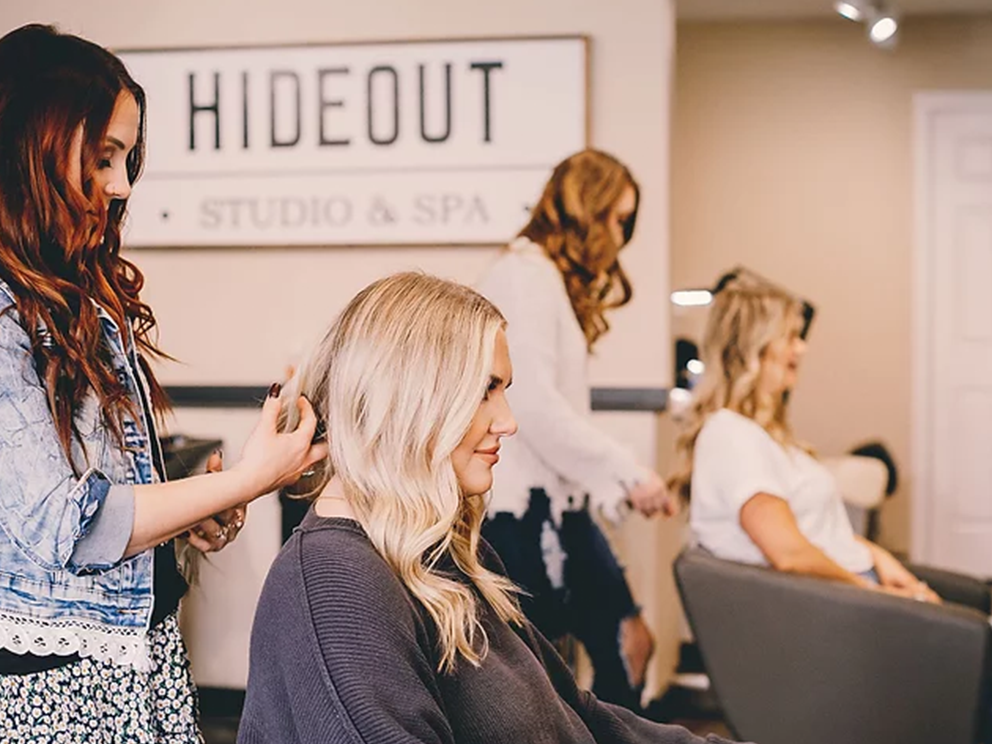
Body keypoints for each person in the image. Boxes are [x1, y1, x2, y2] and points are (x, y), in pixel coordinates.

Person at [239, 272, 741, 744]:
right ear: (414, 398)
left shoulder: (441, 554)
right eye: (485, 391)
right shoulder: (336, 584)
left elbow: (577, 714)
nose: (508, 422)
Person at [0, 24, 325, 743]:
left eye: (126, 158)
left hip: (141, 659)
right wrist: (243, 482)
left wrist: (190, 510)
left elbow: (106, 495)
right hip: (58, 690)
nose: (120, 186)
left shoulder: (75, 293)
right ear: (33, 150)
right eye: (103, 157)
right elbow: (67, 526)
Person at [475, 149, 677, 709]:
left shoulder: (539, 277)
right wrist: (627, 473)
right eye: (617, 218)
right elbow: (533, 407)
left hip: (555, 506)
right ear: (587, 211)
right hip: (520, 512)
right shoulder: (524, 275)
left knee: (626, 644)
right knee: (544, 680)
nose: (620, 235)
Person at [667, 268, 939, 603]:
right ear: (755, 346)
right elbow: (790, 554)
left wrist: (883, 561)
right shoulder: (730, 436)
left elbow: (822, 535)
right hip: (838, 607)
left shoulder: (763, 436)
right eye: (791, 336)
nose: (802, 348)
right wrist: (876, 595)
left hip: (853, 590)